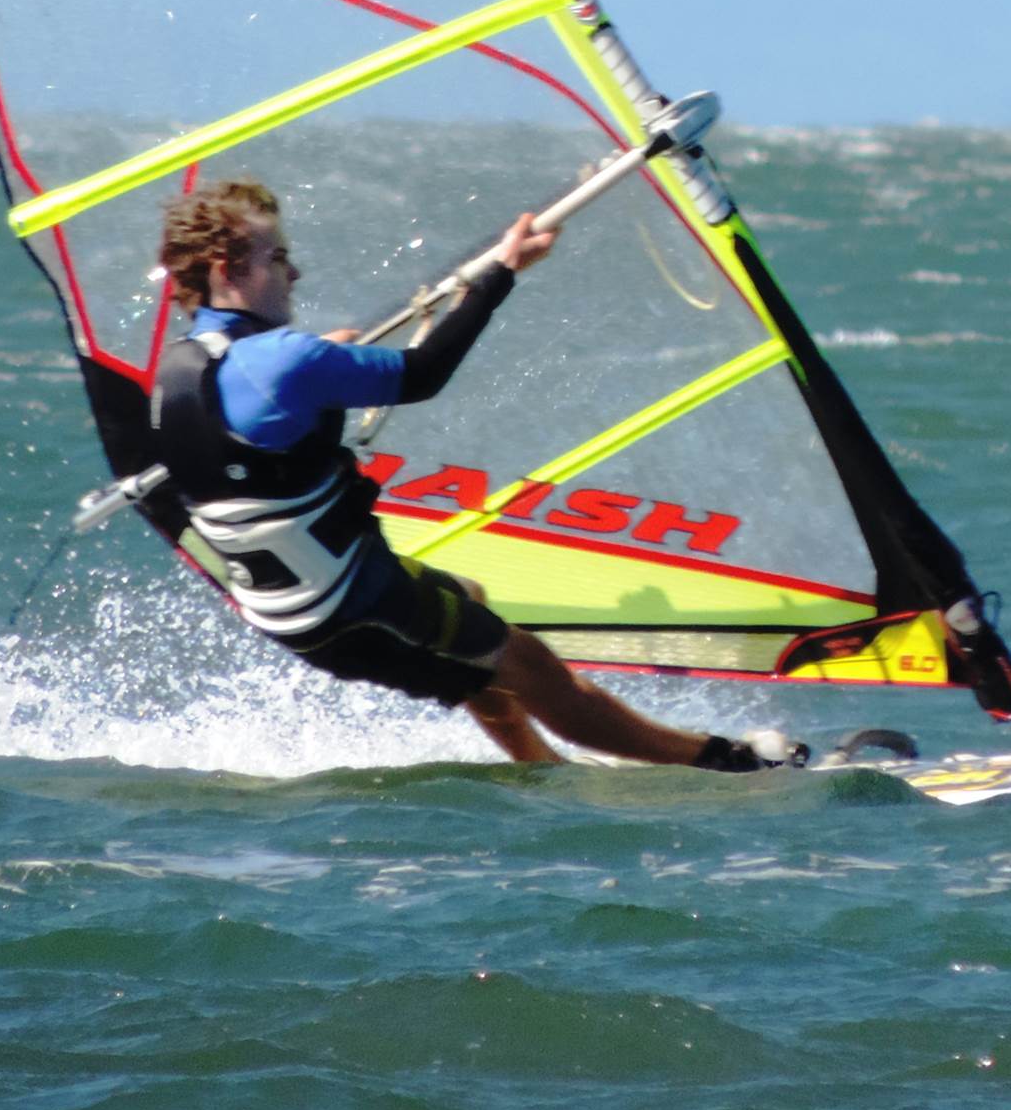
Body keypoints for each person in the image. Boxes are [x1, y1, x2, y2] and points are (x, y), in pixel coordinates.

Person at [151, 179, 797, 772]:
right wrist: (499, 274)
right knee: (531, 668)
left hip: (289, 614)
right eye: (277, 258)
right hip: (355, 601)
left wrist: (326, 367)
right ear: (227, 271)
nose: (293, 272)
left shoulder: (180, 371)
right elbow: (422, 373)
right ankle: (724, 762)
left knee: (471, 605)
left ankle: (538, 770)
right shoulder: (287, 361)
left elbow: (258, 436)